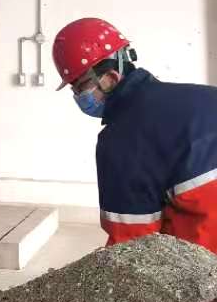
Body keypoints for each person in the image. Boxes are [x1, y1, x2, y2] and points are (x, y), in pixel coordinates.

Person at [53, 17, 217, 252]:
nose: (78, 97)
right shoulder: (206, 97)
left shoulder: (120, 140)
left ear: (110, 79)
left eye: (80, 87)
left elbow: (132, 246)